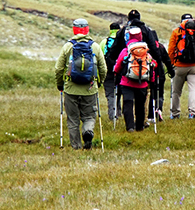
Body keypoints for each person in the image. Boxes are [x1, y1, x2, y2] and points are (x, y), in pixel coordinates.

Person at [54, 19, 107, 150]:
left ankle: (76, 147)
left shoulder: (68, 46)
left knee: (72, 119)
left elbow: (58, 68)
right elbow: (103, 69)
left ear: (74, 30)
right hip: (90, 88)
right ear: (87, 30)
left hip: (70, 89)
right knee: (89, 116)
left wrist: (60, 85)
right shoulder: (94, 46)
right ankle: (87, 131)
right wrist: (99, 83)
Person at [113, 27, 155, 132]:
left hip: (126, 82)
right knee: (140, 105)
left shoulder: (126, 50)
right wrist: (152, 79)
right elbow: (153, 64)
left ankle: (130, 127)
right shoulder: (145, 51)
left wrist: (116, 72)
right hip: (143, 83)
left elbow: (118, 66)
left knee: (128, 103)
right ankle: (140, 127)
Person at [168, 13, 195, 119]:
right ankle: (192, 112)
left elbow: (171, 49)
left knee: (176, 91)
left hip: (179, 65)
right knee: (193, 89)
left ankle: (175, 113)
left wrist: (171, 63)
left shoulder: (176, 32)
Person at [147, 31, 174, 123]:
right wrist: (171, 71)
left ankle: (150, 114)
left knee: (151, 94)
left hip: (149, 74)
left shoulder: (147, 48)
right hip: (160, 74)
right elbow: (167, 60)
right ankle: (159, 110)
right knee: (160, 93)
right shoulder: (161, 47)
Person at [99, 22, 121, 121]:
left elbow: (99, 58)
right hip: (120, 72)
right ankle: (119, 113)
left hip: (108, 72)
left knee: (111, 95)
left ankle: (112, 116)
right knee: (119, 93)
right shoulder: (123, 41)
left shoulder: (104, 42)